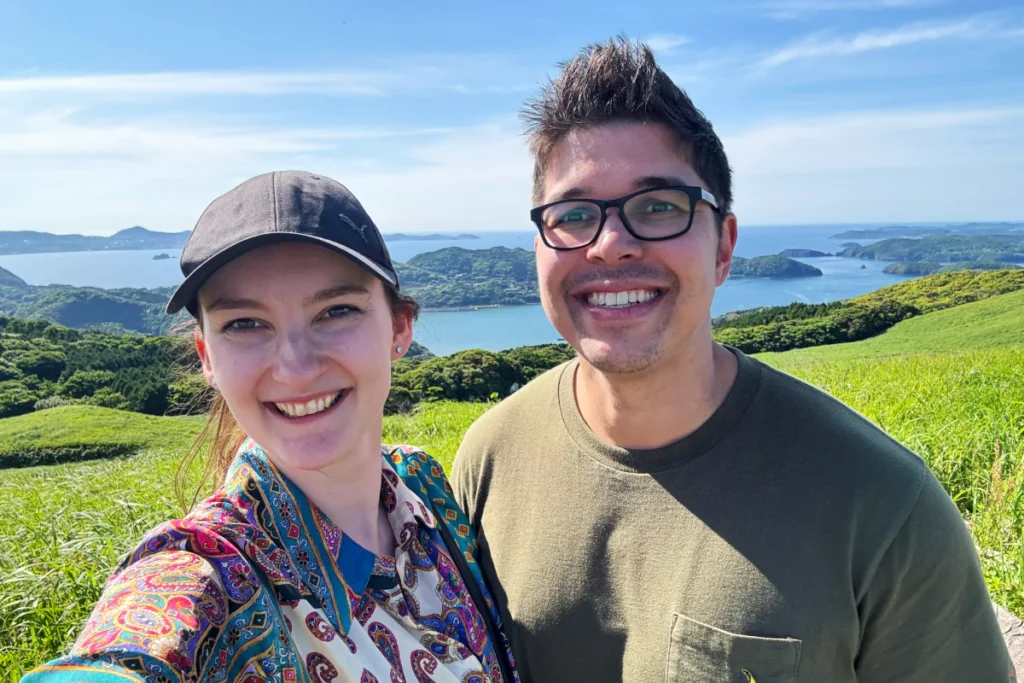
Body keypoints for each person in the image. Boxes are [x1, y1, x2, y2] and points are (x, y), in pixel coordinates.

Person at [451, 39, 1013, 682]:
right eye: (574, 214)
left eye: (658, 207)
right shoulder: (490, 455)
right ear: (539, 247)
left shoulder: (880, 505)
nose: (610, 245)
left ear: (724, 247)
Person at [24, 171, 517, 683]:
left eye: (336, 311)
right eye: (244, 323)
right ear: (206, 357)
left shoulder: (423, 484)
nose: (296, 367)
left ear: (399, 328)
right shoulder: (211, 573)